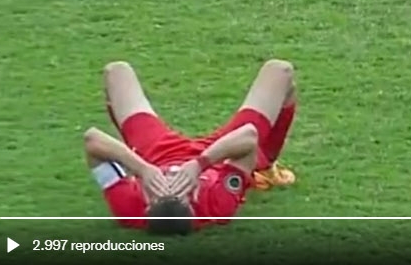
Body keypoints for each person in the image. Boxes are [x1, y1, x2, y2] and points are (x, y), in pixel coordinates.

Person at [84, 59, 298, 234]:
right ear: (194, 201)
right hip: (221, 153)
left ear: (146, 205)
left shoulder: (130, 209)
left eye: (159, 189)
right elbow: (249, 138)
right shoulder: (216, 207)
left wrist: (143, 169)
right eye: (179, 190)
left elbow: (92, 140)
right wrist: (199, 165)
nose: (171, 181)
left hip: (157, 153)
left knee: (116, 72)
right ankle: (267, 169)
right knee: (281, 71)